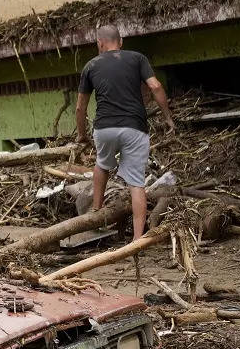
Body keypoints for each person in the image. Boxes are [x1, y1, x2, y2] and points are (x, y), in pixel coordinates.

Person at [75, 24, 176, 241]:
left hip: (105, 129)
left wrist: (82, 135)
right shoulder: (137, 58)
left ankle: (96, 210)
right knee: (136, 183)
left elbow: (80, 108)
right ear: (120, 42)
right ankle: (137, 240)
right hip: (135, 128)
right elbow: (156, 86)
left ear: (99, 43)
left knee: (102, 163)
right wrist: (168, 117)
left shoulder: (91, 65)